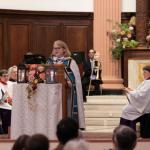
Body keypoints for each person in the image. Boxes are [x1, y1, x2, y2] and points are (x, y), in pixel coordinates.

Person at [47, 40, 85, 129]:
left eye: (58, 48)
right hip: (51, 93)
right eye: (54, 48)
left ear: (64, 49)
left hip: (66, 93)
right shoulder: (49, 62)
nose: (56, 50)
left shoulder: (70, 62)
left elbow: (75, 80)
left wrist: (68, 82)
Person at [120, 65, 150, 131]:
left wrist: (129, 91)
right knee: (126, 109)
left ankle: (125, 131)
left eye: (145, 72)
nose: (143, 74)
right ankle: (128, 130)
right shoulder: (146, 81)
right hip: (141, 105)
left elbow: (140, 95)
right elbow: (139, 92)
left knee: (126, 110)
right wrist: (131, 90)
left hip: (144, 107)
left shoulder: (149, 83)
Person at [0, 69, 12, 134]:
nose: (6, 77)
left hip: (11, 107)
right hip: (3, 108)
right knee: (6, 125)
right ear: (0, 77)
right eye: (4, 76)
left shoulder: (10, 83)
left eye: (7, 76)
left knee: (10, 125)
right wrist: (8, 100)